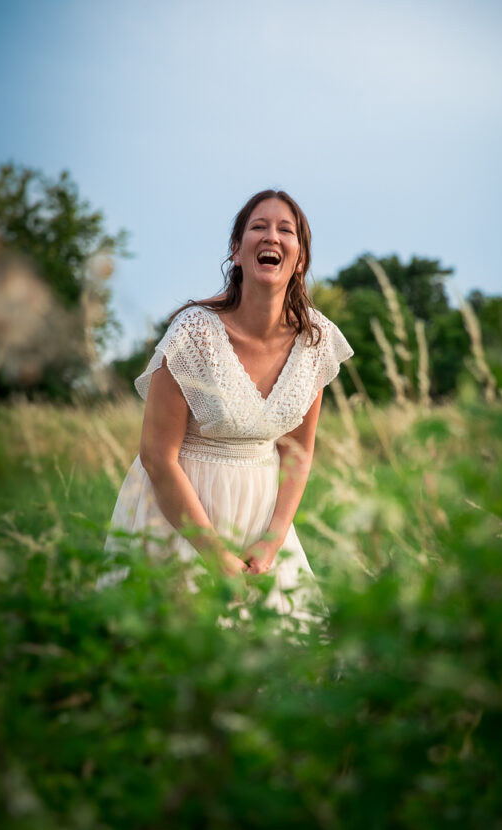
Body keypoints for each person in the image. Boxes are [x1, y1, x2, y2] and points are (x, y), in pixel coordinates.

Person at [101, 189, 353, 622]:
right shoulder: (194, 334)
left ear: (301, 258)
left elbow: (298, 451)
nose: (271, 236)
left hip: (261, 525)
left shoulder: (315, 340)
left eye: (285, 230)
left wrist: (272, 541)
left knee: (281, 667)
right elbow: (157, 457)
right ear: (237, 252)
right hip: (178, 519)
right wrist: (214, 554)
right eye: (258, 227)